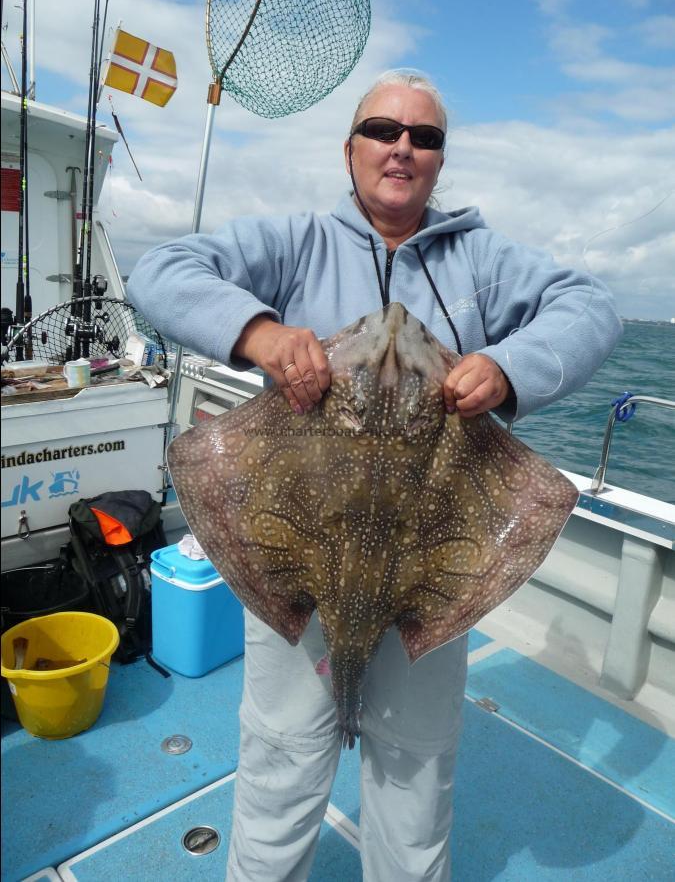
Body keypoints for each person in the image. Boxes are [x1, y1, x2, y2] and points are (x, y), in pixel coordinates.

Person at [127, 70, 622, 882]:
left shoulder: (484, 257)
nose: (402, 147)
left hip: (429, 560)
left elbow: (590, 307)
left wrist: (506, 367)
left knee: (415, 775)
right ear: (349, 148)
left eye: (423, 137)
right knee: (281, 763)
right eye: (383, 130)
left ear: (438, 159)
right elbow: (163, 272)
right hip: (297, 551)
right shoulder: (293, 242)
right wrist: (257, 332)